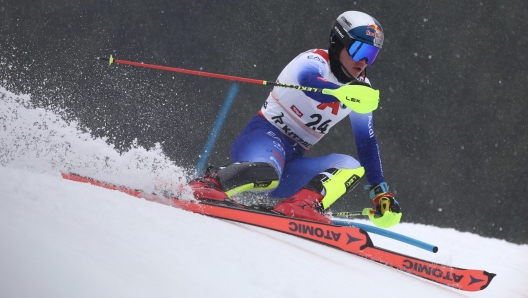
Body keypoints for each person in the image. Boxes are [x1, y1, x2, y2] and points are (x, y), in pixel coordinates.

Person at [189, 11, 401, 228]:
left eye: (372, 54)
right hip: (262, 138)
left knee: (352, 167)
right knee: (269, 172)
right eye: (360, 50)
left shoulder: (362, 89)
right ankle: (210, 182)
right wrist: (339, 92)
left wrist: (380, 192)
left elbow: (366, 142)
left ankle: (300, 206)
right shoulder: (313, 60)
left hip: (293, 164)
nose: (364, 62)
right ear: (338, 43)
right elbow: (310, 83)